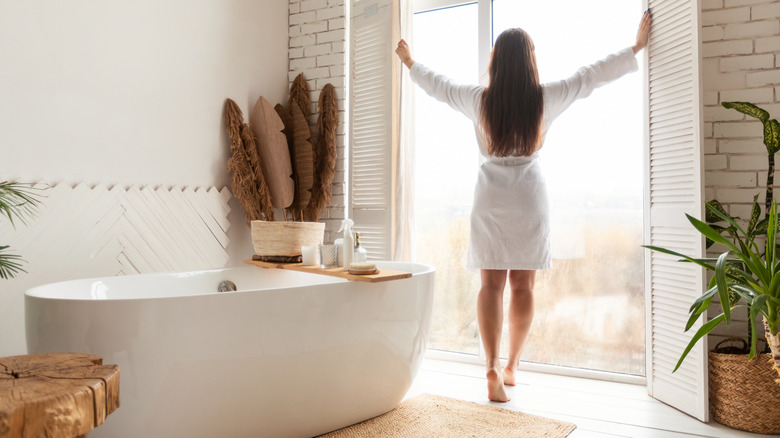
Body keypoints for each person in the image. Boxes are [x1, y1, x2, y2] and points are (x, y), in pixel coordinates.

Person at [395, 10, 652, 402]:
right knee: (523, 285)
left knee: (490, 285)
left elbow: (440, 86)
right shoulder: (544, 99)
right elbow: (589, 76)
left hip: (490, 199)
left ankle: (491, 367)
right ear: (530, 60)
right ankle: (513, 365)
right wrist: (635, 47)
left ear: (496, 61)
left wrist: (411, 62)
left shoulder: (478, 101)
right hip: (529, 198)